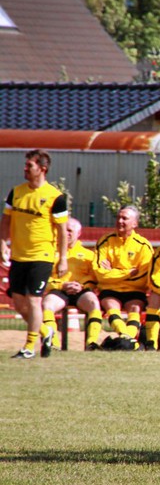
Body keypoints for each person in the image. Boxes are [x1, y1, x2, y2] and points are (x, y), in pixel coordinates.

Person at [1, 149, 68, 359]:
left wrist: (63, 258)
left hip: (42, 256)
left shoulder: (55, 197)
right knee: (19, 303)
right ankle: (45, 332)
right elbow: (6, 220)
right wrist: (3, 243)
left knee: (33, 300)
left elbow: (62, 231)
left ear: (42, 169)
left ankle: (29, 347)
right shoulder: (16, 192)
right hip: (18, 256)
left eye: (29, 165)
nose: (25, 169)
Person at [93, 206, 153, 350]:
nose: (120, 221)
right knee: (111, 306)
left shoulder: (143, 246)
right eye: (118, 217)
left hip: (135, 290)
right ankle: (129, 340)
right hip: (110, 289)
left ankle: (126, 340)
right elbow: (100, 274)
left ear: (135, 223)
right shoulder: (105, 241)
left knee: (135, 308)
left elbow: (143, 277)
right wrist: (128, 273)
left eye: (124, 218)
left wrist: (112, 272)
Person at [40, 217, 104, 351]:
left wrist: (81, 286)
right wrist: (61, 285)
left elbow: (94, 278)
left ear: (78, 233)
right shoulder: (50, 253)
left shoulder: (89, 255)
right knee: (47, 304)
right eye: (63, 230)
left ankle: (91, 343)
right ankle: (53, 343)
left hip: (81, 290)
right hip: (58, 290)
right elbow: (43, 278)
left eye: (70, 230)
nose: (66, 233)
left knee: (94, 303)